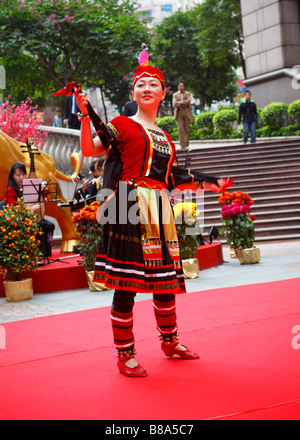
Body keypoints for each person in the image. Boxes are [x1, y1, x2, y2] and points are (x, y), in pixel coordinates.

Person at [76, 51, 231, 377]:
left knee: (164, 283)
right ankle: (125, 354)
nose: (146, 88)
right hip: (128, 205)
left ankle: (169, 341)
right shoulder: (121, 124)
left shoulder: (164, 136)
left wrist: (210, 183)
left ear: (164, 93)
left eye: (154, 84)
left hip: (159, 208)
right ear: (133, 92)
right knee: (126, 282)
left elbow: (171, 178)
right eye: (140, 83)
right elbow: (92, 149)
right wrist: (87, 115)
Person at [4, 162, 55, 258]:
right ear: (12, 176)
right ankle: (38, 255)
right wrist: (29, 210)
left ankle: (47, 253)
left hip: (32, 217)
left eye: (23, 174)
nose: (22, 178)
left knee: (49, 225)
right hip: (19, 220)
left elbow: (41, 196)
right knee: (39, 225)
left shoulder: (30, 184)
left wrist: (44, 190)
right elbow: (12, 210)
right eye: (18, 175)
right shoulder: (11, 190)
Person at [173, 81, 193, 150]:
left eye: (182, 86)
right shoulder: (175, 95)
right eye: (180, 86)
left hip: (186, 111)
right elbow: (175, 103)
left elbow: (188, 101)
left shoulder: (188, 93)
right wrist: (183, 102)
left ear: (184, 87)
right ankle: (182, 145)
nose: (181, 87)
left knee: (187, 129)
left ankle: (186, 144)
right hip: (179, 112)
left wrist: (180, 102)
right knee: (180, 129)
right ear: (178, 87)